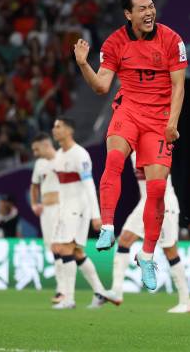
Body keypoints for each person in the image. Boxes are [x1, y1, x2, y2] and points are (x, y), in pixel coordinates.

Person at [73, 0, 187, 290]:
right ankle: (107, 226)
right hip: (129, 111)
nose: (149, 13)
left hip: (159, 120)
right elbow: (100, 86)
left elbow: (179, 86)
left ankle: (147, 256)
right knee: (113, 159)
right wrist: (83, 64)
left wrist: (172, 124)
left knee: (158, 190)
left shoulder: (172, 40)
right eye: (142, 9)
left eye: (151, 6)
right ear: (128, 14)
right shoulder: (113, 43)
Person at [108, 151, 190, 313]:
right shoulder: (132, 153)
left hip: (163, 203)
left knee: (170, 250)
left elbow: (161, 179)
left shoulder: (154, 146)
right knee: (124, 239)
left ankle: (186, 300)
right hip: (145, 204)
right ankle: (117, 290)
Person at [51, 117, 117, 309]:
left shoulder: (80, 154)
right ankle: (100, 292)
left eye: (59, 126)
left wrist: (96, 215)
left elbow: (89, 186)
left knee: (65, 249)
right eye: (54, 127)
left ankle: (69, 299)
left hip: (78, 207)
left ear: (69, 130)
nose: (55, 130)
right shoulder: (58, 155)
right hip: (65, 208)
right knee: (77, 252)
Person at [30, 132, 61, 305]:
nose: (35, 153)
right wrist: (35, 204)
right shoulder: (40, 164)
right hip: (46, 211)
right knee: (54, 250)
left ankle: (63, 290)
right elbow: (34, 186)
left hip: (62, 208)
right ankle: (62, 289)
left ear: (45, 145)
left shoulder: (62, 158)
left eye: (36, 149)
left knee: (62, 248)